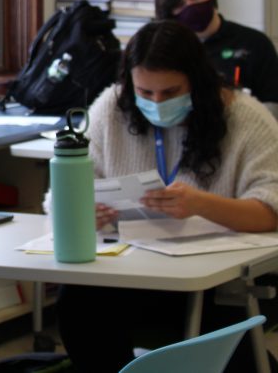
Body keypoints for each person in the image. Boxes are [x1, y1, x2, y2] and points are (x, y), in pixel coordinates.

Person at [56, 20, 278, 373]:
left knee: (223, 338)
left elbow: (271, 211)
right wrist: (84, 211)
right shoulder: (112, 107)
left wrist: (201, 204)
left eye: (171, 92)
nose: (157, 103)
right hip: (135, 270)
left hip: (220, 280)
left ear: (197, 82)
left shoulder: (246, 118)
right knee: (79, 303)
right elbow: (60, 197)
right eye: (145, 93)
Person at [155, 0, 278, 112]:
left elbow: (272, 105)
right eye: (179, 4)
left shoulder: (254, 43)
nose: (190, 6)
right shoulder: (165, 50)